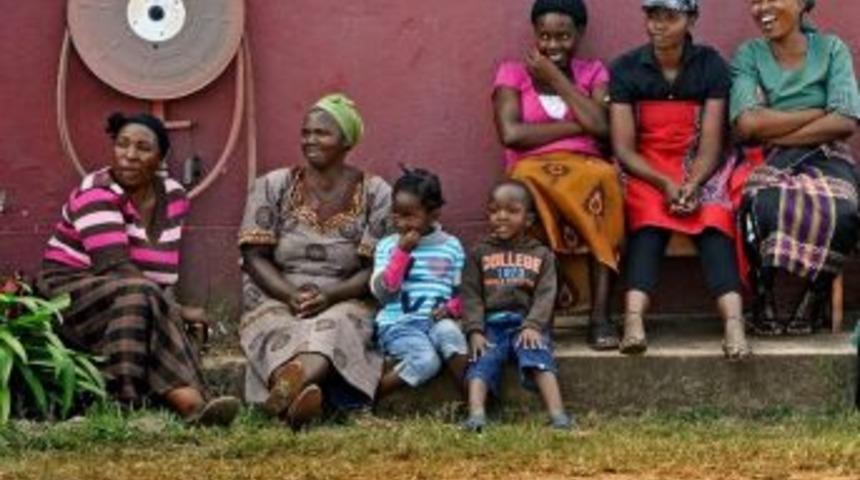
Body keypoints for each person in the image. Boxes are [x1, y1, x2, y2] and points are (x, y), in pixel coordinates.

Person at [37, 112, 240, 425]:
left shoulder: (173, 196)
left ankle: (193, 408)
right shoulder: (97, 192)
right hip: (68, 293)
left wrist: (165, 304)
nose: (130, 155)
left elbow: (159, 275)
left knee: (141, 298)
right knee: (139, 295)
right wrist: (181, 310)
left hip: (132, 295)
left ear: (160, 157)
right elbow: (114, 266)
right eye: (122, 145)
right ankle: (135, 402)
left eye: (143, 148)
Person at [238, 94, 392, 429]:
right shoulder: (272, 185)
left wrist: (331, 296)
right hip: (276, 292)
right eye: (306, 132)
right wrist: (289, 295)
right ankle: (294, 395)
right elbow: (253, 255)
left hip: (347, 295)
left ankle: (285, 394)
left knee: (334, 327)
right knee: (279, 327)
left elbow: (374, 268)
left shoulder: (376, 192)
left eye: (322, 133)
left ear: (347, 140)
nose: (310, 140)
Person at [609, 0, 749, 358]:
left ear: (691, 20)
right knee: (648, 222)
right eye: (652, 17)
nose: (658, 25)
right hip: (645, 166)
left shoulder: (711, 65)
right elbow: (624, 150)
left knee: (713, 221)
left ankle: (734, 325)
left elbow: (713, 142)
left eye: (669, 18)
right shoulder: (625, 68)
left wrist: (694, 182)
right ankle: (633, 322)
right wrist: (665, 184)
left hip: (698, 163)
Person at [493, 0, 625, 350]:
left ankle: (599, 315)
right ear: (535, 34)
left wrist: (557, 80)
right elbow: (512, 134)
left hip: (587, 169)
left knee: (608, 181)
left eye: (563, 37)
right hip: (531, 168)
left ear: (579, 34)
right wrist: (574, 126)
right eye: (545, 37)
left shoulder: (593, 72)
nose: (553, 46)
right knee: (523, 189)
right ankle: (540, 313)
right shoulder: (512, 73)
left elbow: (600, 127)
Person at [731, 0, 860, 335]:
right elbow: (746, 125)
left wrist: (773, 126)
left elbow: (846, 122)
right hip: (770, 156)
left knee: (844, 209)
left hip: (828, 154)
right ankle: (765, 298)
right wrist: (820, 111)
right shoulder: (749, 54)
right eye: (756, 1)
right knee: (760, 203)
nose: (762, 8)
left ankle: (814, 297)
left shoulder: (832, 49)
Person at [461, 180, 572, 432]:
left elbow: (546, 294)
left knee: (538, 357)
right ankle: (476, 415)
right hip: (491, 325)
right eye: (494, 210)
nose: (501, 217)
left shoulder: (542, 255)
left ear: (529, 219)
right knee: (481, 362)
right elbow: (471, 295)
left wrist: (533, 325)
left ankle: (559, 417)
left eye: (512, 211)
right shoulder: (479, 254)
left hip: (526, 323)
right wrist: (475, 330)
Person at [371, 168, 469, 396]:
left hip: (436, 322)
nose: (401, 223)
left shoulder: (451, 246)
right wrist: (402, 253)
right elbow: (384, 294)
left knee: (451, 334)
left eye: (409, 216)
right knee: (427, 361)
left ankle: (475, 398)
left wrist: (453, 308)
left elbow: (463, 292)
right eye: (396, 214)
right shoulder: (388, 246)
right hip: (398, 324)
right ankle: (370, 396)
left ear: (434, 214)